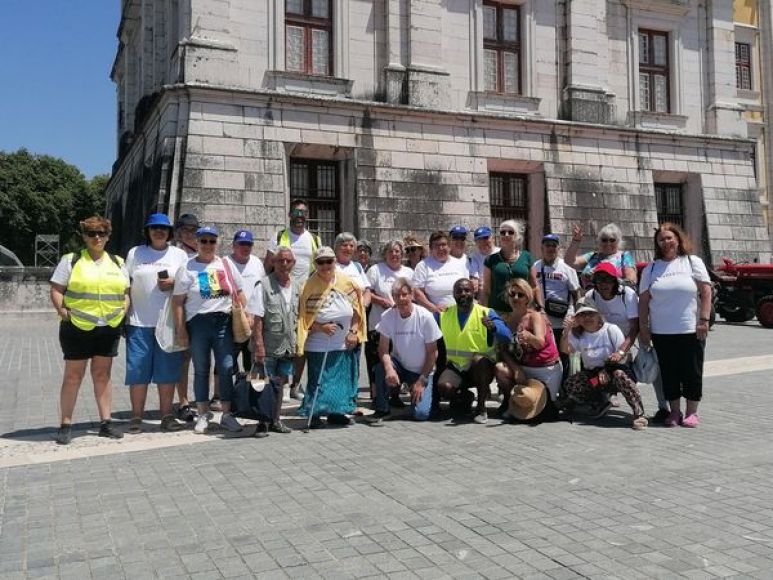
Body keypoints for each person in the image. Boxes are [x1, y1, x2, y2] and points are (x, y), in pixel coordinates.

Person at [49, 216, 130, 444]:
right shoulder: (71, 260)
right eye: (92, 233)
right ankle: (65, 424)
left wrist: (123, 310)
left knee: (102, 375)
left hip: (109, 326)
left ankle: (106, 422)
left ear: (108, 236)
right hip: (77, 326)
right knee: (74, 376)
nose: (97, 238)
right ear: (84, 236)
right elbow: (56, 290)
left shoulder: (118, 262)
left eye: (102, 233)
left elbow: (125, 291)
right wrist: (64, 313)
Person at [172, 226, 246, 435]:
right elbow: (177, 302)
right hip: (198, 323)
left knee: (226, 367)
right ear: (196, 243)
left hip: (223, 322)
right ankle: (203, 413)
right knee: (202, 369)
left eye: (211, 241)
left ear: (217, 243)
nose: (207, 245)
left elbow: (239, 293)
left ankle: (227, 414)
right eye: (203, 241)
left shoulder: (225, 265)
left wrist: (246, 315)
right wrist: (181, 330)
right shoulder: (187, 268)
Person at [638, 223, 712, 428]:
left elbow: (706, 292)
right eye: (661, 239)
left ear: (678, 239)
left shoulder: (692, 262)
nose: (666, 242)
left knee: (692, 371)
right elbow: (643, 301)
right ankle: (674, 412)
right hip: (662, 332)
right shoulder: (651, 269)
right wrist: (644, 329)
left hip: (690, 329)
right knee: (669, 373)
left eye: (669, 238)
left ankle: (692, 412)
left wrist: (704, 320)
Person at [124, 214, 188, 434]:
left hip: (168, 323)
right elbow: (125, 284)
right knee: (138, 371)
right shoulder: (135, 253)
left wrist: (174, 282)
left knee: (167, 372)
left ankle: (167, 415)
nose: (158, 231)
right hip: (138, 321)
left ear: (169, 231)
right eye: (154, 228)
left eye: (163, 228)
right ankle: (136, 416)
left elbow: (188, 284)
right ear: (147, 231)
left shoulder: (179, 255)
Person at [296, 247, 366, 427]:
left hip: (343, 343)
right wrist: (320, 327)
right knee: (320, 382)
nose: (326, 265)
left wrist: (353, 331)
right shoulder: (308, 286)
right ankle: (316, 414)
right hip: (319, 343)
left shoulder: (347, 283)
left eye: (329, 261)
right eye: (321, 262)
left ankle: (336, 413)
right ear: (315, 264)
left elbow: (358, 310)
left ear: (335, 262)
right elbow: (303, 318)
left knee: (341, 382)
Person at [559, 298, 648, 430]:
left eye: (590, 313)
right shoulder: (579, 335)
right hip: (596, 378)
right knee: (572, 383)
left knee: (620, 375)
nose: (587, 317)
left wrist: (607, 370)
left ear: (598, 314)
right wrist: (566, 332)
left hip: (614, 373)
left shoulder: (611, 330)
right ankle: (599, 401)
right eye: (582, 315)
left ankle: (638, 413)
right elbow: (565, 350)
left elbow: (625, 357)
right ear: (577, 319)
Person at [435, 279, 511, 424]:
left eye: (467, 290)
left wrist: (494, 327)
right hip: (457, 367)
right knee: (444, 387)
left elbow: (507, 336)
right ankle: (464, 397)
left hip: (482, 369)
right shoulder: (444, 315)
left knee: (478, 361)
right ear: (453, 294)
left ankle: (481, 407)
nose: (463, 294)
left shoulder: (486, 312)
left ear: (473, 292)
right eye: (459, 291)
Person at [367, 278, 442, 425]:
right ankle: (383, 408)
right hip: (400, 365)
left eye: (404, 294)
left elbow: (433, 353)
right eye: (397, 295)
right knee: (381, 368)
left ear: (412, 295)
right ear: (393, 297)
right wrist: (389, 369)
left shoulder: (425, 316)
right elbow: (383, 349)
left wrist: (422, 380)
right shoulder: (388, 315)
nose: (401, 299)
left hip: (422, 371)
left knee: (421, 415)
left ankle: (426, 400)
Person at [249, 246, 300, 436]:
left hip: (287, 346)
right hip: (267, 346)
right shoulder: (262, 285)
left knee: (280, 384)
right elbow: (258, 318)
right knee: (262, 384)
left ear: (293, 263)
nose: (284, 264)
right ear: (273, 262)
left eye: (288, 261)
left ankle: (276, 419)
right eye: (280, 260)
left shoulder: (297, 286)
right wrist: (259, 346)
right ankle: (262, 422)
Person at [495, 279, 563, 421]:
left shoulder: (535, 316)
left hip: (545, 368)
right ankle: (510, 402)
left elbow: (539, 343)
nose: (515, 298)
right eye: (512, 294)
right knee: (500, 368)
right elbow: (502, 350)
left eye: (521, 295)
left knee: (542, 411)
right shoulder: (506, 318)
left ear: (528, 297)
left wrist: (528, 336)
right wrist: (516, 369)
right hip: (524, 367)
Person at [366, 240, 414, 407]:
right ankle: (377, 396)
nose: (394, 254)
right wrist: (382, 301)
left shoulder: (408, 272)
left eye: (397, 251)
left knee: (397, 360)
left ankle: (394, 395)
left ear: (402, 254)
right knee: (377, 361)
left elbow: (414, 295)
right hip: (378, 324)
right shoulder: (375, 270)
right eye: (391, 251)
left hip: (402, 326)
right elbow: (367, 293)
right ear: (385, 254)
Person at [534, 233, 580, 378]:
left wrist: (576, 318)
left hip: (563, 318)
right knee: (546, 354)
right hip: (543, 318)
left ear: (558, 248)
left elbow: (576, 294)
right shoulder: (535, 267)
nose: (550, 248)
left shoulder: (566, 269)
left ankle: (565, 387)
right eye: (547, 245)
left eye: (554, 245)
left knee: (564, 354)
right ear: (542, 247)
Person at [224, 230, 265, 373]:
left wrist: (255, 317)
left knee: (252, 363)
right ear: (234, 245)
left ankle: (247, 394)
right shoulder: (224, 263)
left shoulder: (257, 262)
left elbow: (261, 289)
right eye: (241, 244)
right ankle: (220, 394)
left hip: (253, 321)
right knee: (226, 363)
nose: (245, 247)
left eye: (248, 244)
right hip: (231, 319)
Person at [480, 219, 541, 315]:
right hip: (497, 312)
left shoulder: (527, 257)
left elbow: (534, 286)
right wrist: (483, 312)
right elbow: (487, 290)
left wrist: (540, 308)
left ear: (517, 236)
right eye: (502, 232)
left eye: (510, 232)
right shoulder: (490, 260)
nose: (506, 235)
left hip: (521, 312)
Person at [173, 212, 200, 421]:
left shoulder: (204, 251)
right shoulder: (173, 253)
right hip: (180, 312)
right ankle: (182, 401)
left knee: (200, 360)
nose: (190, 234)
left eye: (194, 230)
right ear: (178, 232)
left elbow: (210, 284)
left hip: (200, 313)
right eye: (186, 230)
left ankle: (201, 400)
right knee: (183, 359)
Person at [265, 198, 321, 282]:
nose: (299, 215)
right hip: (283, 288)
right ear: (290, 215)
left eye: (303, 212)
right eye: (296, 212)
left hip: (307, 290)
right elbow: (267, 267)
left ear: (307, 215)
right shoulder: (278, 237)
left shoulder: (315, 239)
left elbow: (320, 266)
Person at [413, 230, 470, 313]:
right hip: (435, 315)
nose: (441, 248)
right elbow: (417, 292)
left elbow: (468, 288)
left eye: (443, 245)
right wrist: (433, 308)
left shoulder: (459, 264)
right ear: (431, 249)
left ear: (449, 246)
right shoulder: (422, 266)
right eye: (436, 246)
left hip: (461, 312)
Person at [565, 223, 637, 288]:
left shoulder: (624, 256)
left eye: (612, 240)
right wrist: (576, 241)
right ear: (599, 241)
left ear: (618, 241)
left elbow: (631, 281)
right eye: (604, 240)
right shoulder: (593, 255)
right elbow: (569, 262)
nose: (608, 243)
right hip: (590, 298)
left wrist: (606, 280)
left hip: (613, 298)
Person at [468, 226, 499, 295]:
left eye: (485, 238)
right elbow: (475, 278)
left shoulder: (501, 253)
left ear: (493, 238)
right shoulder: (474, 257)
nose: (483, 242)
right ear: (475, 242)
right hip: (484, 292)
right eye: (479, 240)